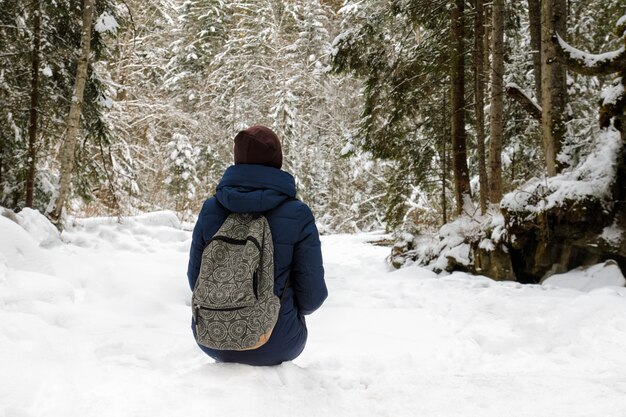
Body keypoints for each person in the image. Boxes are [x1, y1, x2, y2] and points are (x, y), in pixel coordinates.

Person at [186, 125, 328, 366]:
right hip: (277, 341)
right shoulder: (297, 213)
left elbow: (194, 279)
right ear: (276, 160)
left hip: (210, 338)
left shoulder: (211, 209)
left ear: (237, 158)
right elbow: (312, 296)